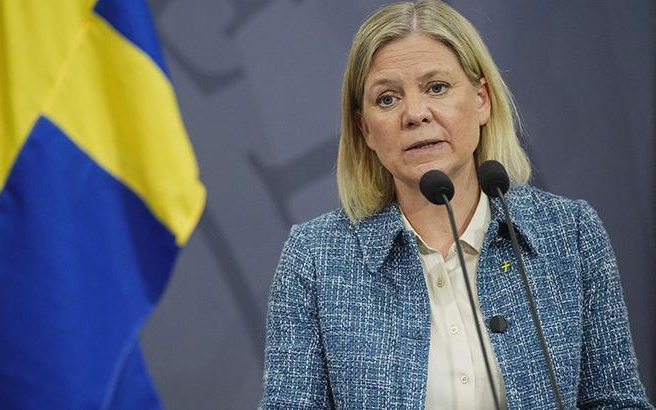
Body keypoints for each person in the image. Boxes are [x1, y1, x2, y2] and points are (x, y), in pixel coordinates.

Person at [259, 1, 652, 409]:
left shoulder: (571, 235)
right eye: (388, 99)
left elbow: (616, 401)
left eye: (437, 87)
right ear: (365, 129)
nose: (415, 114)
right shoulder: (316, 258)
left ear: (482, 100)